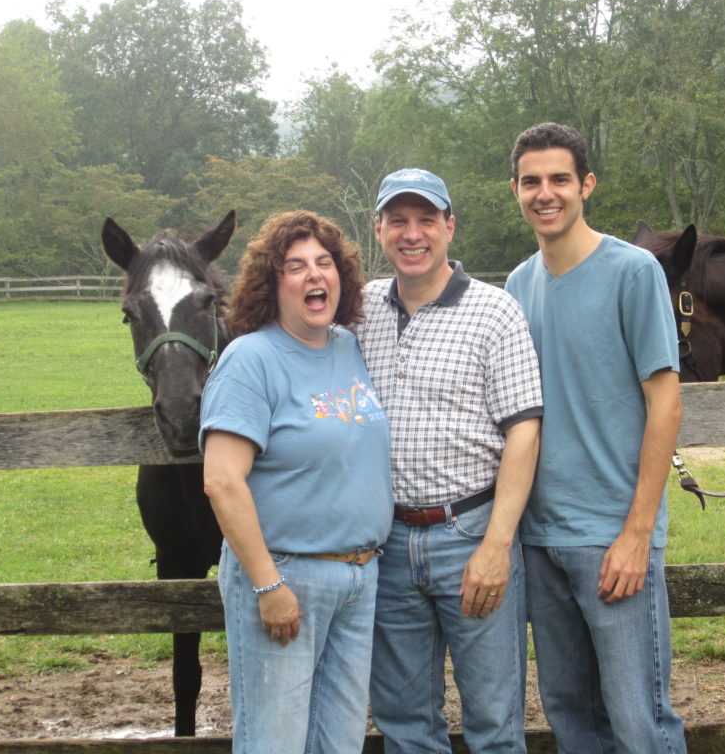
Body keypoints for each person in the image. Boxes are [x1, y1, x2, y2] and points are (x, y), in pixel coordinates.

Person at [504, 122, 687, 754]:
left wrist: (638, 533)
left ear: (586, 185)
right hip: (539, 538)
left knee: (639, 719)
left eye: (559, 179)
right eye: (532, 181)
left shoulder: (633, 272)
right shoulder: (517, 286)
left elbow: (665, 401)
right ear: (516, 189)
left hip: (612, 537)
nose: (545, 193)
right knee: (570, 714)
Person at [357, 168, 543, 753]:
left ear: (449, 227)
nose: (413, 235)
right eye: (399, 221)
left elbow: (524, 432)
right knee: (404, 720)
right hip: (385, 542)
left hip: (470, 533)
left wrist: (496, 544)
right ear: (379, 229)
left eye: (426, 220)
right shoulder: (358, 311)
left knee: (493, 719)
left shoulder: (495, 311)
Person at [199, 210, 393, 754]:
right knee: (274, 743)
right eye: (296, 266)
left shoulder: (348, 348)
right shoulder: (250, 359)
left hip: (358, 580)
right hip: (286, 580)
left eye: (325, 264)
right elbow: (222, 481)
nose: (314, 276)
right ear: (272, 282)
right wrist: (266, 585)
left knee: (340, 743)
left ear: (342, 276)